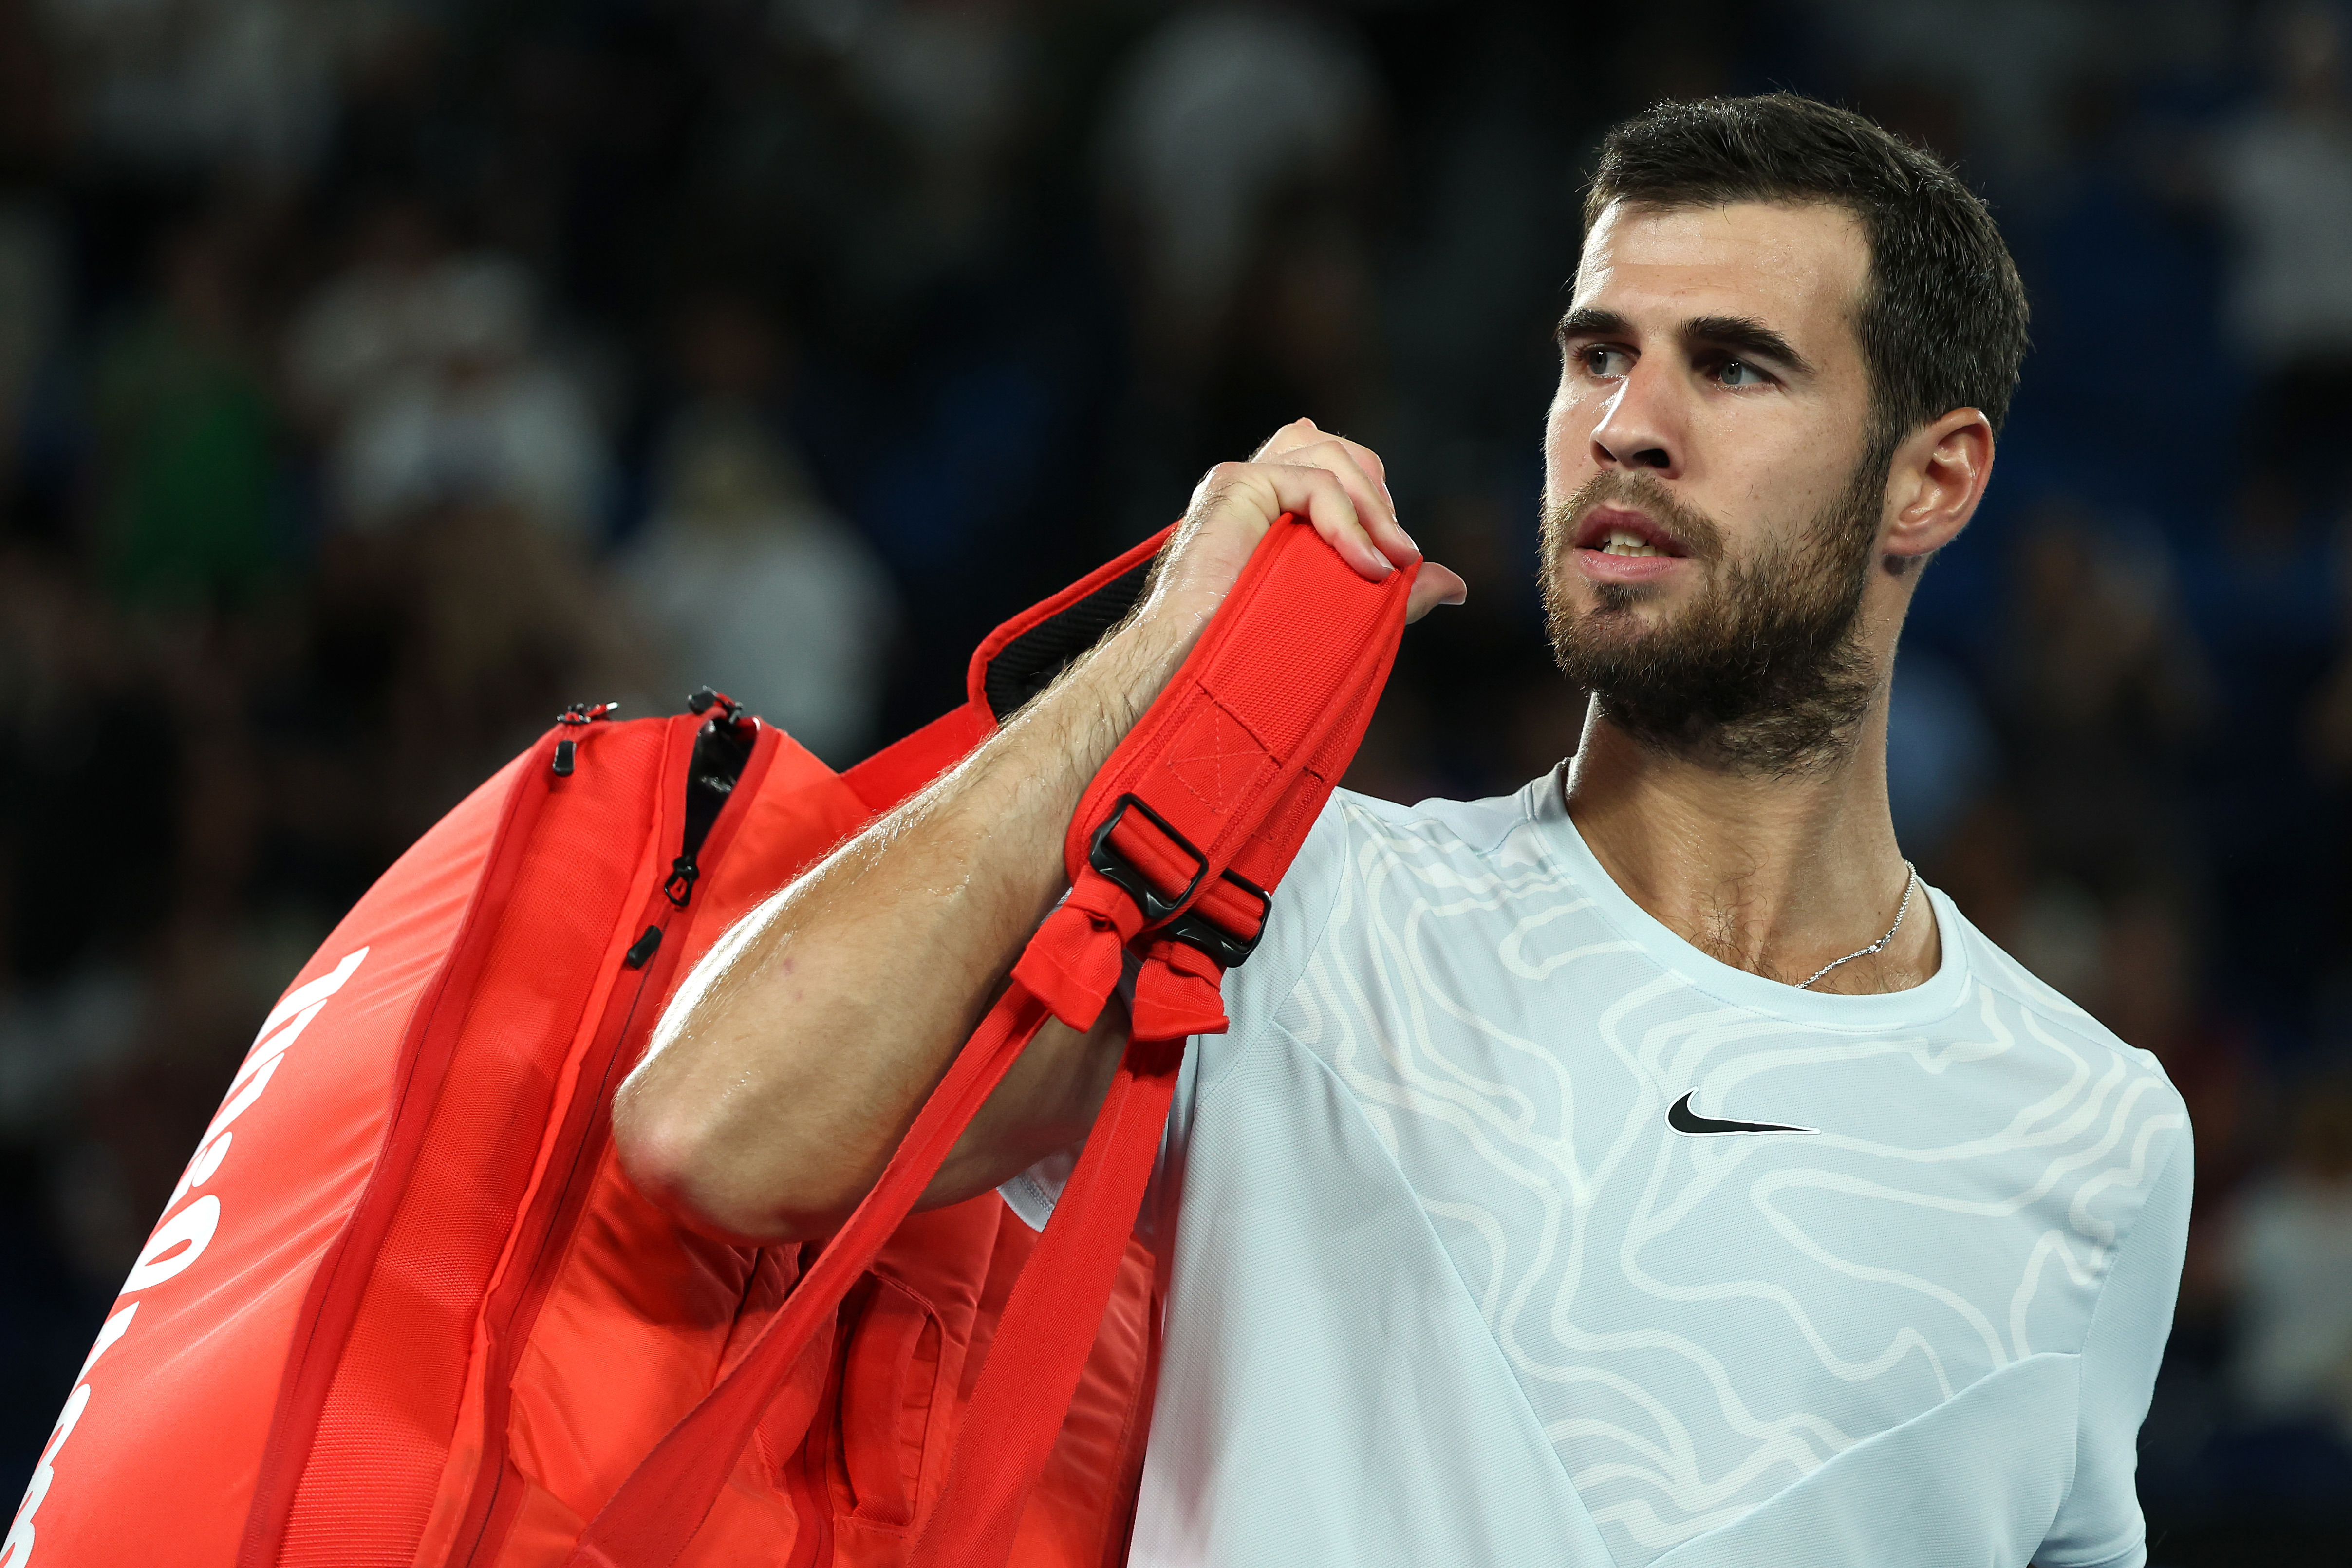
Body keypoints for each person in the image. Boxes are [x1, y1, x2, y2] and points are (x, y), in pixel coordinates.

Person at [616, 94, 2192, 1568]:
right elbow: (717, 1127)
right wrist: (1166, 650)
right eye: (1595, 356)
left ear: (1933, 479)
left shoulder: (2099, 1139)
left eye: (1733, 365)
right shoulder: (1302, 912)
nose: (1627, 425)